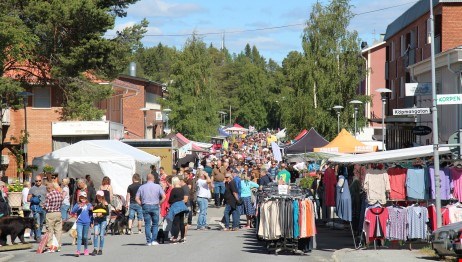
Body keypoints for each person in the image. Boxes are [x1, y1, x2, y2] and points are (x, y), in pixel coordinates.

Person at [136, 173, 166, 246]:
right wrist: (159, 203)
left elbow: (136, 198)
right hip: (155, 205)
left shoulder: (142, 187)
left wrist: (141, 204)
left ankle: (148, 241)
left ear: (147, 179)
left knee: (147, 224)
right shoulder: (158, 186)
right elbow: (164, 197)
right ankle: (154, 240)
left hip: (145, 205)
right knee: (155, 224)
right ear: (153, 179)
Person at [167, 177, 189, 243]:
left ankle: (175, 237)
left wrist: (170, 203)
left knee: (175, 223)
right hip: (182, 206)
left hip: (176, 207)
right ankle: (182, 237)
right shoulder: (181, 189)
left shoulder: (173, 190)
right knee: (181, 222)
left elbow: (170, 199)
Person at [71, 191, 93, 257]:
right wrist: (78, 207)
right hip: (79, 222)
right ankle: (78, 251)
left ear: (86, 198)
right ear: (79, 198)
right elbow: (73, 211)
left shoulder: (88, 205)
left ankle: (86, 249)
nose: (83, 199)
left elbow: (91, 213)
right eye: (81, 198)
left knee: (85, 237)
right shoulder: (77, 204)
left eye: (84, 198)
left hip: (87, 222)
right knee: (79, 236)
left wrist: (92, 222)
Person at [44, 182, 64, 252]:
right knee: (58, 230)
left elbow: (46, 206)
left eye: (47, 189)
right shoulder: (59, 194)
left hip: (50, 213)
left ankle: (50, 246)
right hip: (58, 213)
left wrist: (43, 206)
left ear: (49, 188)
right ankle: (57, 246)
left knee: (50, 230)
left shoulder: (49, 195)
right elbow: (61, 203)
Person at [28, 174, 47, 241]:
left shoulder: (45, 188)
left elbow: (47, 197)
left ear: (41, 180)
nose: (38, 182)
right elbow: (28, 198)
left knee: (41, 223)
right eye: (36, 181)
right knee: (37, 222)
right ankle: (39, 237)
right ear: (35, 181)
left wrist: (46, 204)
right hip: (36, 208)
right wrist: (33, 199)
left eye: (39, 181)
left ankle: (37, 235)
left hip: (43, 208)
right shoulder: (32, 189)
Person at [91, 191, 109, 256]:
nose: (98, 197)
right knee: (95, 234)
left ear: (102, 196)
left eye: (100, 196)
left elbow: (107, 213)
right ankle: (95, 249)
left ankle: (100, 249)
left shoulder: (105, 203)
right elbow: (93, 212)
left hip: (103, 220)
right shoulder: (95, 204)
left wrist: (101, 214)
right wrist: (95, 214)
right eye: (97, 196)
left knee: (101, 235)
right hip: (96, 220)